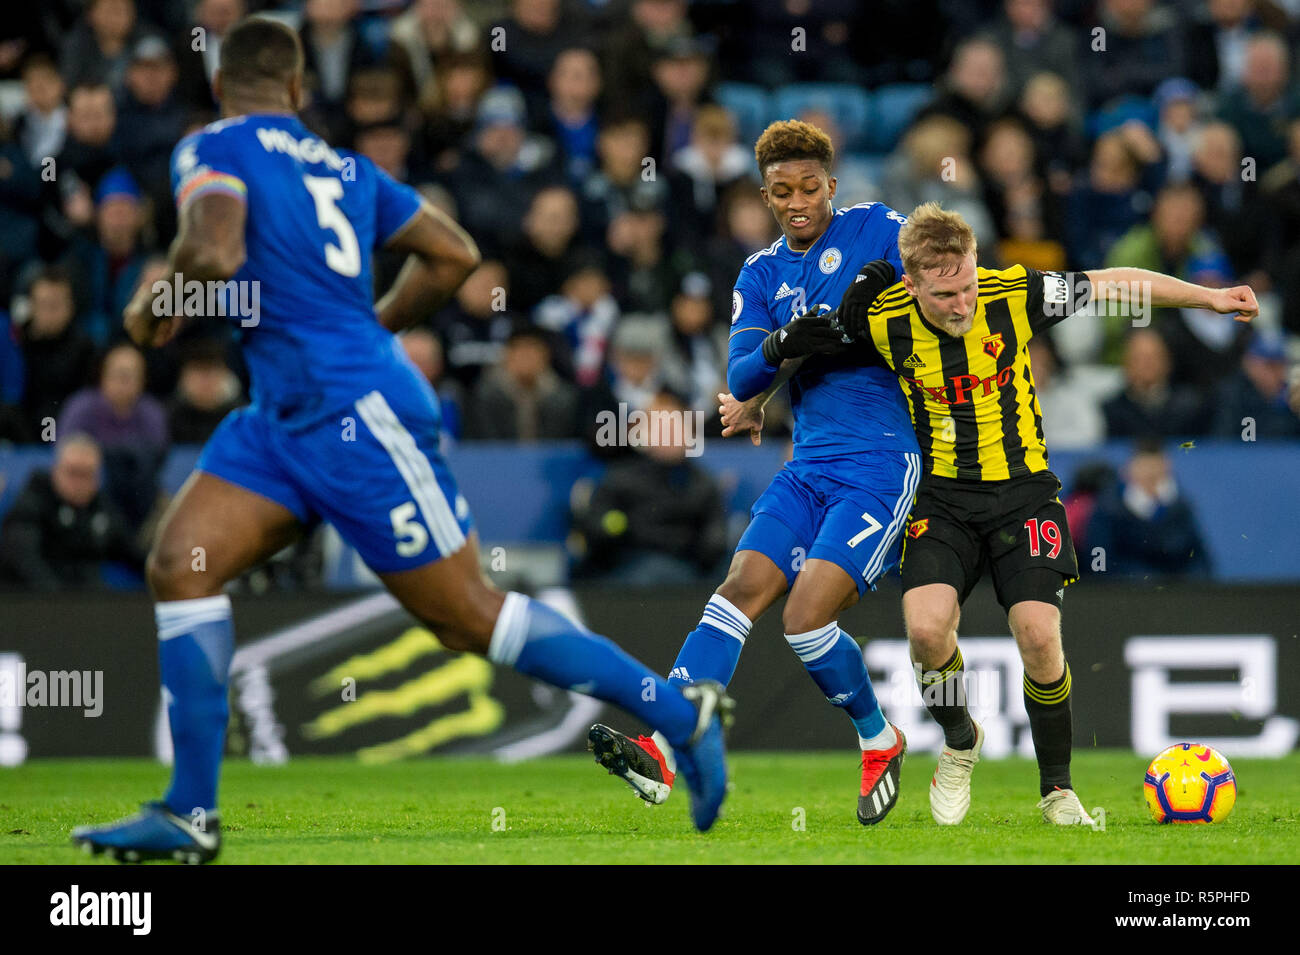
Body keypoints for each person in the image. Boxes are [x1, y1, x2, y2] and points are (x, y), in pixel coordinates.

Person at [70, 16, 732, 865]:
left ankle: (680, 713)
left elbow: (211, 246)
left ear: (217, 85)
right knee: (181, 562)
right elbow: (453, 255)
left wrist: (151, 308)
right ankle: (190, 813)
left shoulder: (213, 146)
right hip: (282, 419)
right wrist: (374, 327)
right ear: (302, 88)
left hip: (356, 418)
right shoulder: (348, 169)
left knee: (467, 616)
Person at [726, 201, 1257, 825]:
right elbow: (808, 349)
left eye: (968, 285)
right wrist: (754, 401)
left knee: (1037, 634)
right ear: (912, 282)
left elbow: (1115, 284)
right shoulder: (881, 318)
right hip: (941, 500)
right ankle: (959, 741)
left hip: (1024, 491)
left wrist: (1207, 298)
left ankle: (1057, 789)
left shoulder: (1014, 293)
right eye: (945, 294)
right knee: (926, 632)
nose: (962, 304)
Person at [588, 120, 918, 826]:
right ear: (765, 195)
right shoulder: (761, 271)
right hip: (808, 465)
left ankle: (879, 736)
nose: (796, 202)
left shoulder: (876, 225)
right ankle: (667, 748)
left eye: (808, 187)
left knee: (804, 619)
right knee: (738, 589)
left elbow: (939, 266)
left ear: (831, 184)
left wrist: (882, 284)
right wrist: (785, 342)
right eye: (780, 192)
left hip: (881, 464)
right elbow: (740, 375)